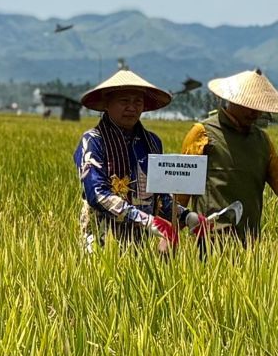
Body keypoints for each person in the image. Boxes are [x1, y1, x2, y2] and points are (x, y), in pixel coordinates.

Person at [181, 68, 278, 242]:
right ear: (233, 100)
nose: (255, 113)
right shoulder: (203, 134)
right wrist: (169, 232)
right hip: (209, 240)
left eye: (258, 107)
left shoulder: (261, 141)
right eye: (249, 105)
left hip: (249, 242)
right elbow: (182, 187)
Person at [75, 65, 205, 251]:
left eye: (137, 102)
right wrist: (146, 220)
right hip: (100, 241)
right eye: (124, 101)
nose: (131, 108)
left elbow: (158, 197)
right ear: (106, 103)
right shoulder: (93, 140)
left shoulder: (151, 142)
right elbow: (97, 194)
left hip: (139, 244)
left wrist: (186, 217)